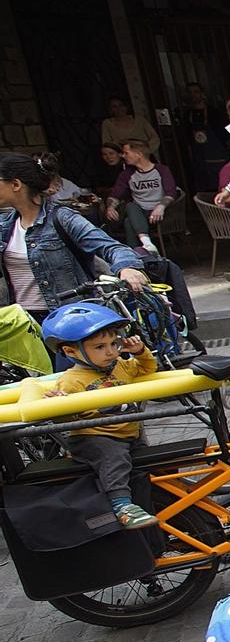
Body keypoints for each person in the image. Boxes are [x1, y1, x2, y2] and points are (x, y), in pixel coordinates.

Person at [20, 303, 159, 527]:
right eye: (100, 347)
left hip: (126, 431)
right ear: (71, 352)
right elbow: (65, 420)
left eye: (114, 343)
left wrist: (140, 351)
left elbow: (148, 368)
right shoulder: (71, 380)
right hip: (94, 437)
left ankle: (155, 496)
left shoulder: (119, 366)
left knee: (147, 463)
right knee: (114, 460)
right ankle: (122, 506)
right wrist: (59, 405)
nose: (111, 351)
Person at [0, 152, 150, 322]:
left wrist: (127, 268)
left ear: (15, 184)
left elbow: (112, 247)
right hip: (23, 322)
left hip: (70, 319)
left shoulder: (62, 218)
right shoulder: (5, 224)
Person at [107, 139, 177, 252]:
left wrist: (161, 207)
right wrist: (110, 207)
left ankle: (137, 259)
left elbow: (171, 192)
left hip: (161, 212)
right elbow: (114, 195)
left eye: (126, 153)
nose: (123, 156)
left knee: (128, 222)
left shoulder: (161, 170)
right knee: (130, 207)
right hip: (140, 212)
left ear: (139, 154)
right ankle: (146, 243)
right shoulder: (127, 174)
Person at [178, 81, 230, 192]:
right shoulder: (187, 115)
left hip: (217, 157)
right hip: (199, 159)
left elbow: (227, 136)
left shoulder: (215, 113)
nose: (193, 95)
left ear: (202, 94)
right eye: (189, 92)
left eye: (196, 92)